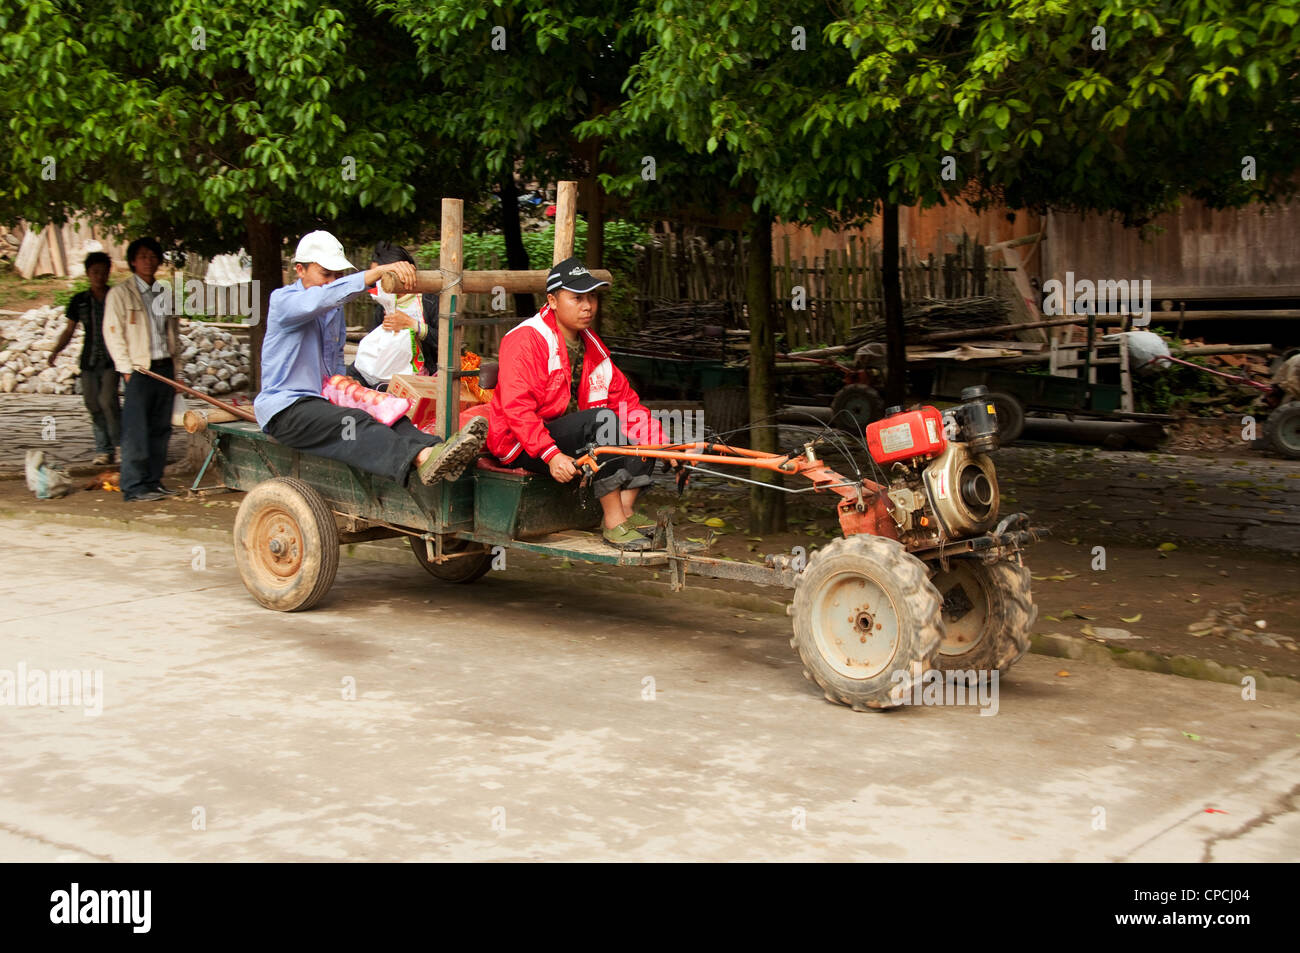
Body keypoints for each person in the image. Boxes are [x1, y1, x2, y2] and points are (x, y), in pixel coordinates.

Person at [255, 230, 485, 485]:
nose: (333, 281)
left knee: (387, 409)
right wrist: (374, 274)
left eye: (337, 275)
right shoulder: (283, 301)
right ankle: (422, 457)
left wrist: (354, 389)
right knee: (354, 420)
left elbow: (332, 369)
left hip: (323, 399)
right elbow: (324, 297)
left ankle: (439, 450)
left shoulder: (333, 313)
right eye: (326, 274)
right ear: (300, 270)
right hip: (287, 409)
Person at [487, 258, 666, 551]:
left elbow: (627, 404)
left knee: (642, 432)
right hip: (522, 444)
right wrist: (551, 455)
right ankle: (612, 521)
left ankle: (624, 510)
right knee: (602, 421)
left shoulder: (592, 347)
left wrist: (661, 443)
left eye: (592, 297)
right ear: (552, 300)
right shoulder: (527, 339)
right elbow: (517, 408)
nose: (588, 306)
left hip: (571, 436)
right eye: (577, 298)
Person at [103, 238, 182, 502]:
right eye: (142, 256)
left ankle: (153, 481)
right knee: (136, 429)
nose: (148, 260)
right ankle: (134, 486)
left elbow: (173, 332)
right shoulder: (120, 293)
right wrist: (126, 370)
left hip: (164, 368)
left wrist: (176, 368)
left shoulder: (163, 293)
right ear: (133, 261)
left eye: (152, 256)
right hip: (139, 371)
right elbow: (113, 334)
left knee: (161, 428)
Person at [50, 251, 119, 466]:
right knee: (92, 403)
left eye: (103, 272)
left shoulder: (116, 298)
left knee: (108, 401)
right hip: (88, 360)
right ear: (88, 273)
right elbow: (69, 330)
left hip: (112, 360)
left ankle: (120, 446)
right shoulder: (79, 301)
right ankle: (103, 450)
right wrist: (55, 350)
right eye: (95, 272)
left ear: (109, 273)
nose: (99, 276)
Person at [344, 241, 438, 390]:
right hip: (385, 374)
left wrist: (413, 325)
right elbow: (374, 355)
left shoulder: (429, 302)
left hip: (423, 379)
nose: (378, 284)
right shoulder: (383, 306)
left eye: (381, 277)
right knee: (347, 379)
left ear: (405, 272)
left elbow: (448, 342)